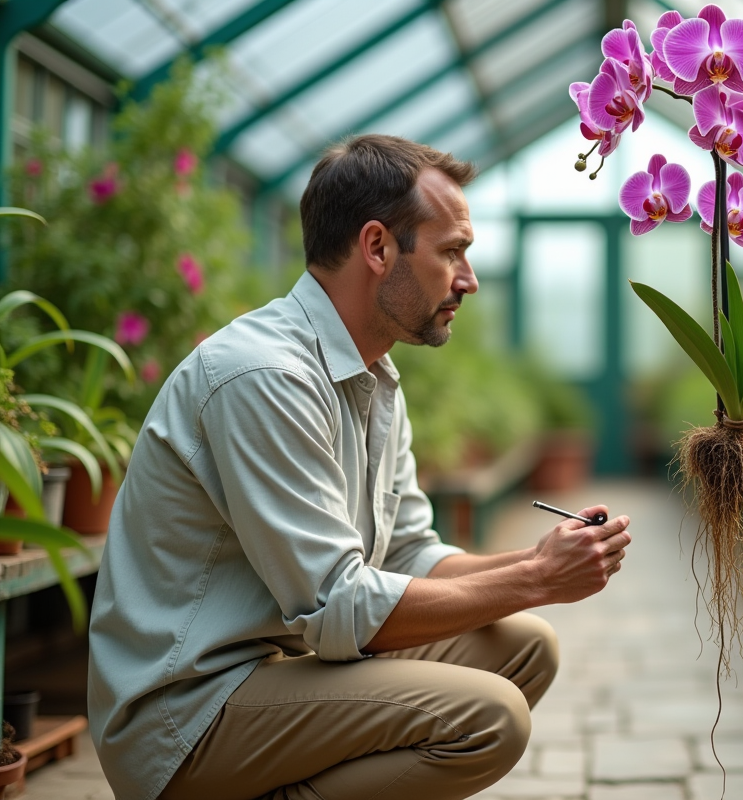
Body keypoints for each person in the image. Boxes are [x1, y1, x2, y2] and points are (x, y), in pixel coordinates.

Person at [87, 134, 633, 800]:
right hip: (188, 713)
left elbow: (408, 554)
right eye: (452, 251)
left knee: (525, 646)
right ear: (377, 248)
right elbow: (336, 605)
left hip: (281, 669)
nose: (470, 279)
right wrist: (537, 579)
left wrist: (542, 561)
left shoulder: (371, 374)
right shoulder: (265, 376)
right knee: (488, 718)